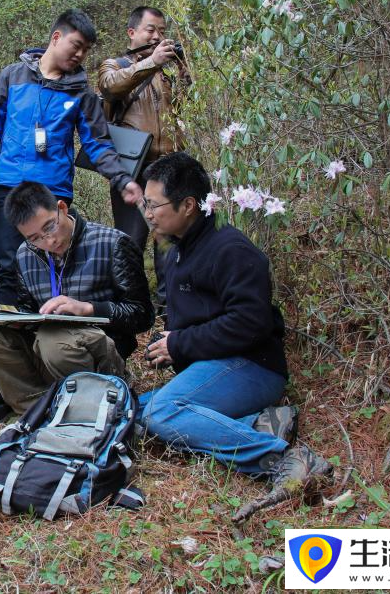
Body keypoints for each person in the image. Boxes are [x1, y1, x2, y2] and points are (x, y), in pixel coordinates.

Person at [135, 153, 331, 494]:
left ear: (188, 205)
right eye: (145, 204)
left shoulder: (230, 248)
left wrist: (179, 344)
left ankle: (284, 457)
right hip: (213, 365)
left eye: (154, 205)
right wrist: (172, 341)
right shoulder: (180, 250)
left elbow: (249, 323)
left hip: (254, 367)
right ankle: (257, 425)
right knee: (134, 410)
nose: (148, 214)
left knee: (161, 412)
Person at [0, 9, 143, 305]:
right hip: (8, 186)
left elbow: (98, 144)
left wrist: (122, 179)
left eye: (86, 50)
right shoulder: (12, 76)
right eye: (76, 45)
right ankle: (7, 337)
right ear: (56, 37)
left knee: (52, 260)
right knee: (10, 267)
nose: (80, 55)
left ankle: (52, 334)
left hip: (53, 192)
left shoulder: (82, 94)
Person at [0, 181, 154, 413]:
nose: (48, 241)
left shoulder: (112, 243)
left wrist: (89, 309)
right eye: (34, 237)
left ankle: (88, 406)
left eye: (49, 227)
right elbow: (29, 309)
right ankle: (35, 410)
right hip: (45, 348)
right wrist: (14, 320)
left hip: (97, 353)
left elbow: (143, 315)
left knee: (54, 343)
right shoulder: (25, 254)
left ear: (62, 208)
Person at [97, 6, 192, 253]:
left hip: (168, 168)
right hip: (133, 170)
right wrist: (152, 62)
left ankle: (169, 292)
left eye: (162, 31)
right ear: (132, 32)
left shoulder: (165, 73)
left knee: (170, 242)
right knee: (131, 242)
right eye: (150, 30)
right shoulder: (114, 65)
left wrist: (184, 77)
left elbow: (180, 112)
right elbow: (110, 87)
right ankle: (130, 293)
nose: (157, 36)